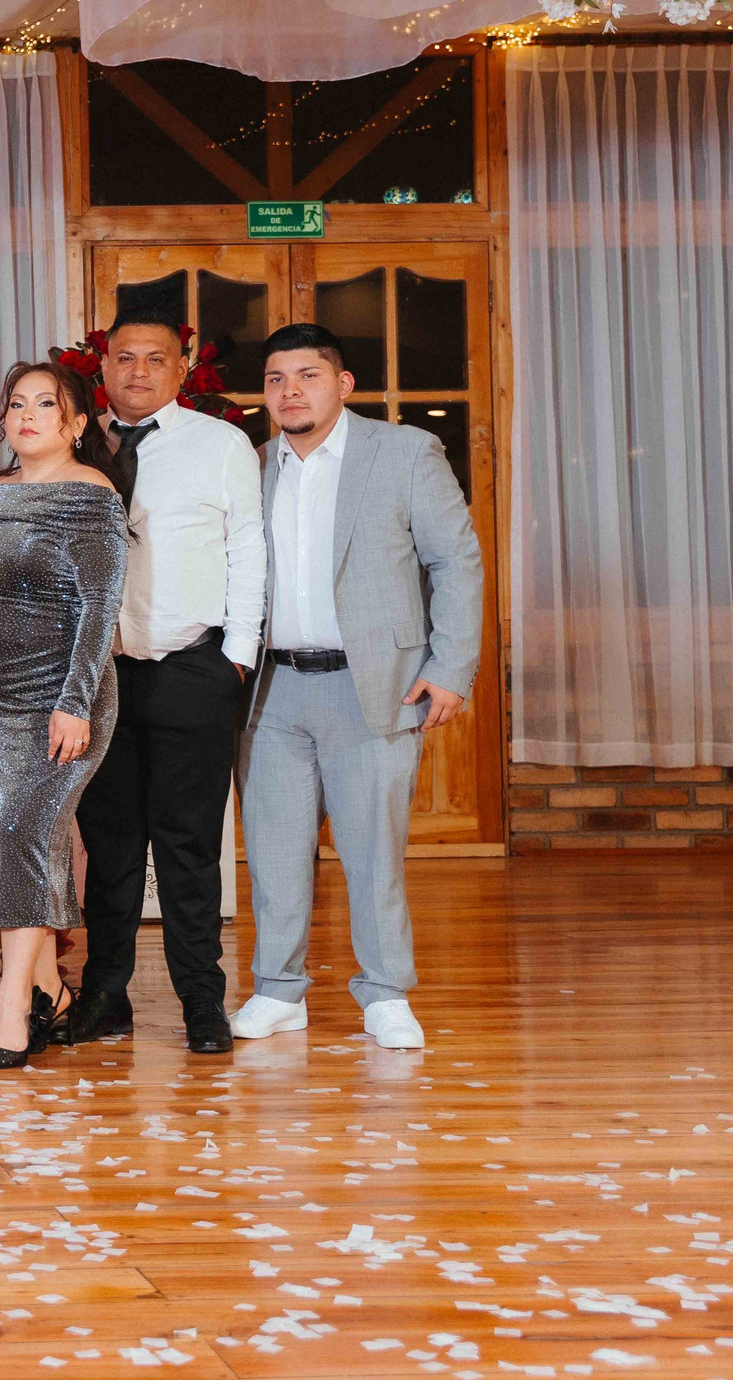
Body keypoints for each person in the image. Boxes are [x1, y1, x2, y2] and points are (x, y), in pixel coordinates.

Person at [230, 323, 482, 1051]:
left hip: (374, 685)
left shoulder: (404, 453)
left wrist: (450, 667)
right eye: (276, 379)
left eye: (307, 375)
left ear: (342, 384)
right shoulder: (252, 465)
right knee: (273, 851)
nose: (290, 391)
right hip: (271, 690)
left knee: (374, 853)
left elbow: (456, 561)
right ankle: (278, 990)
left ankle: (385, 993)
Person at [66, 315, 265, 1055]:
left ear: (182, 369)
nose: (139, 371)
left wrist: (235, 655)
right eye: (125, 358)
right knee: (109, 845)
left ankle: (202, 1002)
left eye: (156, 358)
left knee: (189, 846)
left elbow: (248, 545)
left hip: (193, 668)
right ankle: (105, 995)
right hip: (102, 675)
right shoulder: (77, 444)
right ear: (103, 368)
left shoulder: (220, 444)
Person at [0, 362, 127, 1070]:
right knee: (17, 841)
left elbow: (99, 608)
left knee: (20, 831)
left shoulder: (92, 494)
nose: (27, 415)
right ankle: (50, 989)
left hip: (60, 699)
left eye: (45, 404)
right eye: (16, 403)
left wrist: (74, 701)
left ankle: (11, 1007)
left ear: (76, 422)